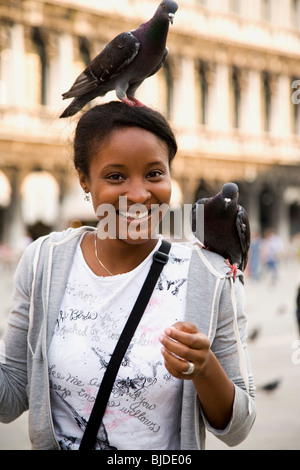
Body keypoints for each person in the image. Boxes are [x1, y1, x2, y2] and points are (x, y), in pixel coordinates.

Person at [0, 101, 255, 450]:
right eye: (115, 176)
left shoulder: (209, 276)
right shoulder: (44, 261)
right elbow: (12, 396)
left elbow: (238, 429)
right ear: (84, 180)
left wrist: (205, 367)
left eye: (154, 174)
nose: (138, 195)